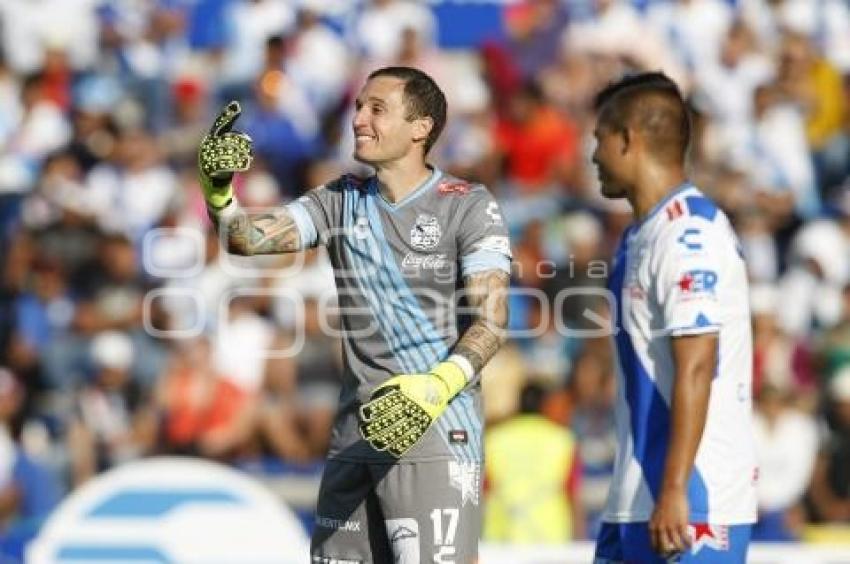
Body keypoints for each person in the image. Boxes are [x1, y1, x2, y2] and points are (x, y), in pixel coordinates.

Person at [196, 66, 512, 562]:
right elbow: (244, 237)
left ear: (420, 127)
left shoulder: (467, 205)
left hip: (434, 430)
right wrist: (218, 192)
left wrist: (435, 387)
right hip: (355, 435)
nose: (358, 118)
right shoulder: (339, 200)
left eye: (376, 108)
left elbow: (491, 322)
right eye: (358, 106)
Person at [590, 72, 757, 563]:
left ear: (628, 139)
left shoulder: (689, 236)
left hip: (689, 503)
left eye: (598, 140)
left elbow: (698, 365)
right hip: (634, 498)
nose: (593, 155)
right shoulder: (639, 236)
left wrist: (675, 490)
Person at [483, 381, 585, 543]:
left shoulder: (493, 439)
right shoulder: (563, 440)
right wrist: (580, 542)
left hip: (501, 541)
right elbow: (573, 495)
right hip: (551, 543)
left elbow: (482, 492)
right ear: (546, 405)